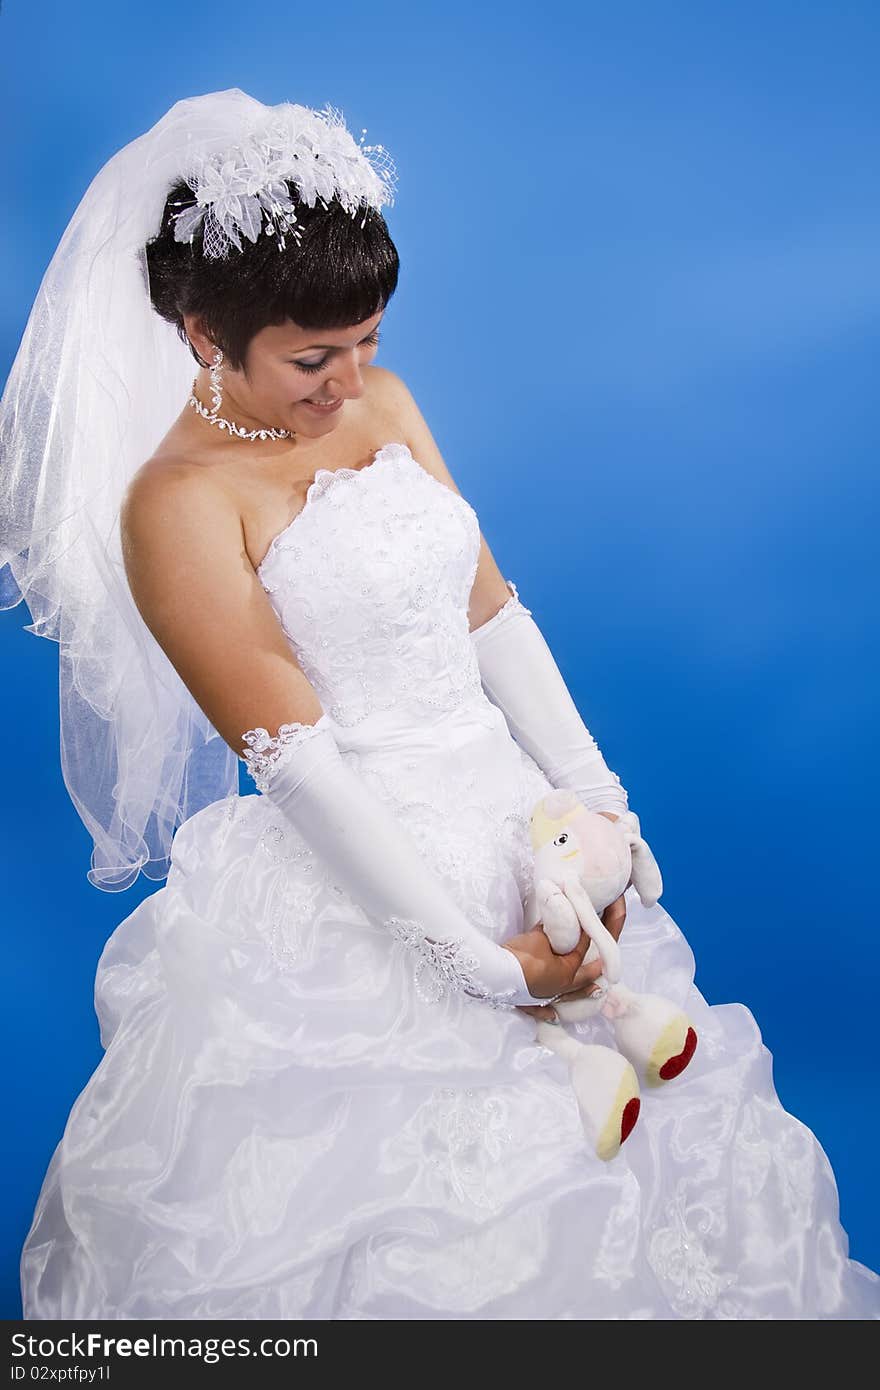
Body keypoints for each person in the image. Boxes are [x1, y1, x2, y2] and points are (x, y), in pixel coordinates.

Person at [3, 89, 878, 1321]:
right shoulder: (177, 505)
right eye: (313, 358)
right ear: (204, 334)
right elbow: (297, 762)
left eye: (365, 339)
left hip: (515, 825)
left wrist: (599, 798)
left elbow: (489, 613)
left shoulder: (382, 400)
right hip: (359, 867)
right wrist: (479, 964)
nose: (350, 380)